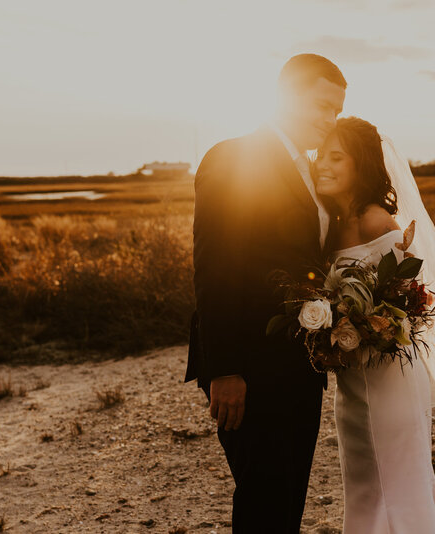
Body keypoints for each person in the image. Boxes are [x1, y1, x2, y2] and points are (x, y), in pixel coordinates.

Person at [184, 54, 346, 533]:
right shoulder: (233, 157)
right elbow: (216, 268)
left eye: (337, 111)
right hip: (250, 366)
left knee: (288, 495)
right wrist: (226, 369)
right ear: (287, 96)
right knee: (264, 498)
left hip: (300, 363)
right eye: (321, 106)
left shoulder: (313, 173)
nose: (329, 120)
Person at [314, 117, 435, 533]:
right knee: (364, 483)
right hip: (354, 378)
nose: (323, 164)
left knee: (396, 482)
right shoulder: (331, 227)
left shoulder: (378, 221)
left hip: (390, 374)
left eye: (336, 157)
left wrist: (367, 324)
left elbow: (408, 303)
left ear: (362, 165)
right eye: (320, 155)